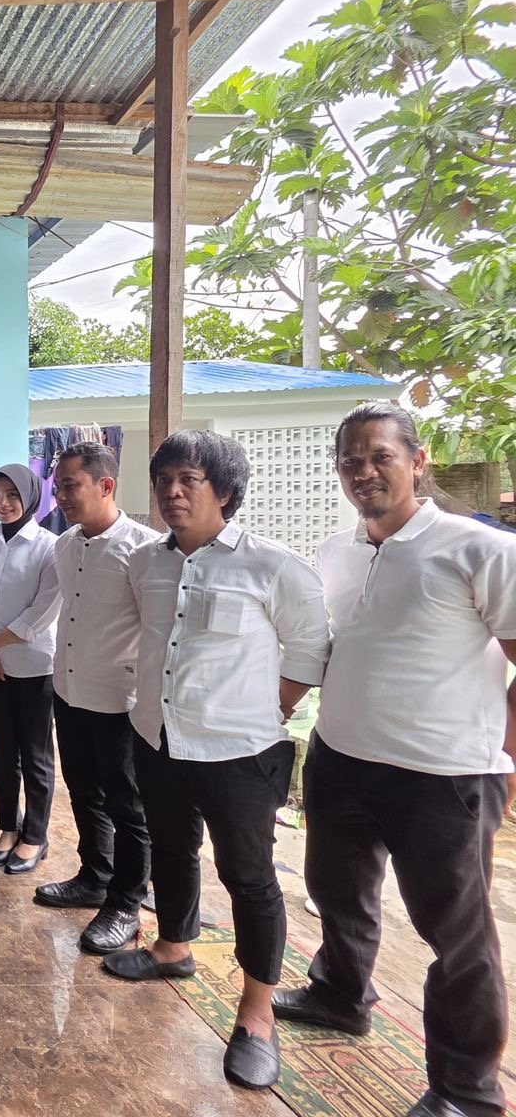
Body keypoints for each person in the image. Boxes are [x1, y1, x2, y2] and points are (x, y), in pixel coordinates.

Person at [274, 402, 515, 1117]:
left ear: (419, 459)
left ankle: (467, 1088)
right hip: (343, 756)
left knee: (455, 932)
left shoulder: (480, 550)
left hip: (442, 776)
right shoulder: (335, 552)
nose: (363, 471)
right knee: (337, 888)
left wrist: (506, 759)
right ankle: (341, 995)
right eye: (350, 459)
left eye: (379, 456)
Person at [102, 430, 330, 1093]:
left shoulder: (272, 565)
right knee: (171, 850)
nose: (172, 493)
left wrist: (265, 708)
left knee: (248, 877)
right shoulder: (149, 562)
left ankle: (257, 1016)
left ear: (224, 491)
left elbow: (309, 651)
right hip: (159, 739)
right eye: (165, 480)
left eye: (189, 481)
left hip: (240, 752)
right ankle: (173, 948)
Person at [37, 442, 156, 956]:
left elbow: (156, 630)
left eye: (71, 486)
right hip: (69, 689)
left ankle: (127, 900)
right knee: (83, 789)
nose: (61, 496)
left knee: (128, 804)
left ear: (105, 486)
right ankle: (94, 876)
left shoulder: (145, 550)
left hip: (120, 699)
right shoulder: (66, 545)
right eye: (58, 486)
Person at [0, 463, 62, 876]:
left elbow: (43, 609)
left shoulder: (50, 546)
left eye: (12, 495)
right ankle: (8, 828)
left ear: (30, 497)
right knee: (3, 753)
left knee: (35, 755)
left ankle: (35, 835)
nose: (2, 503)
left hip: (34, 665)